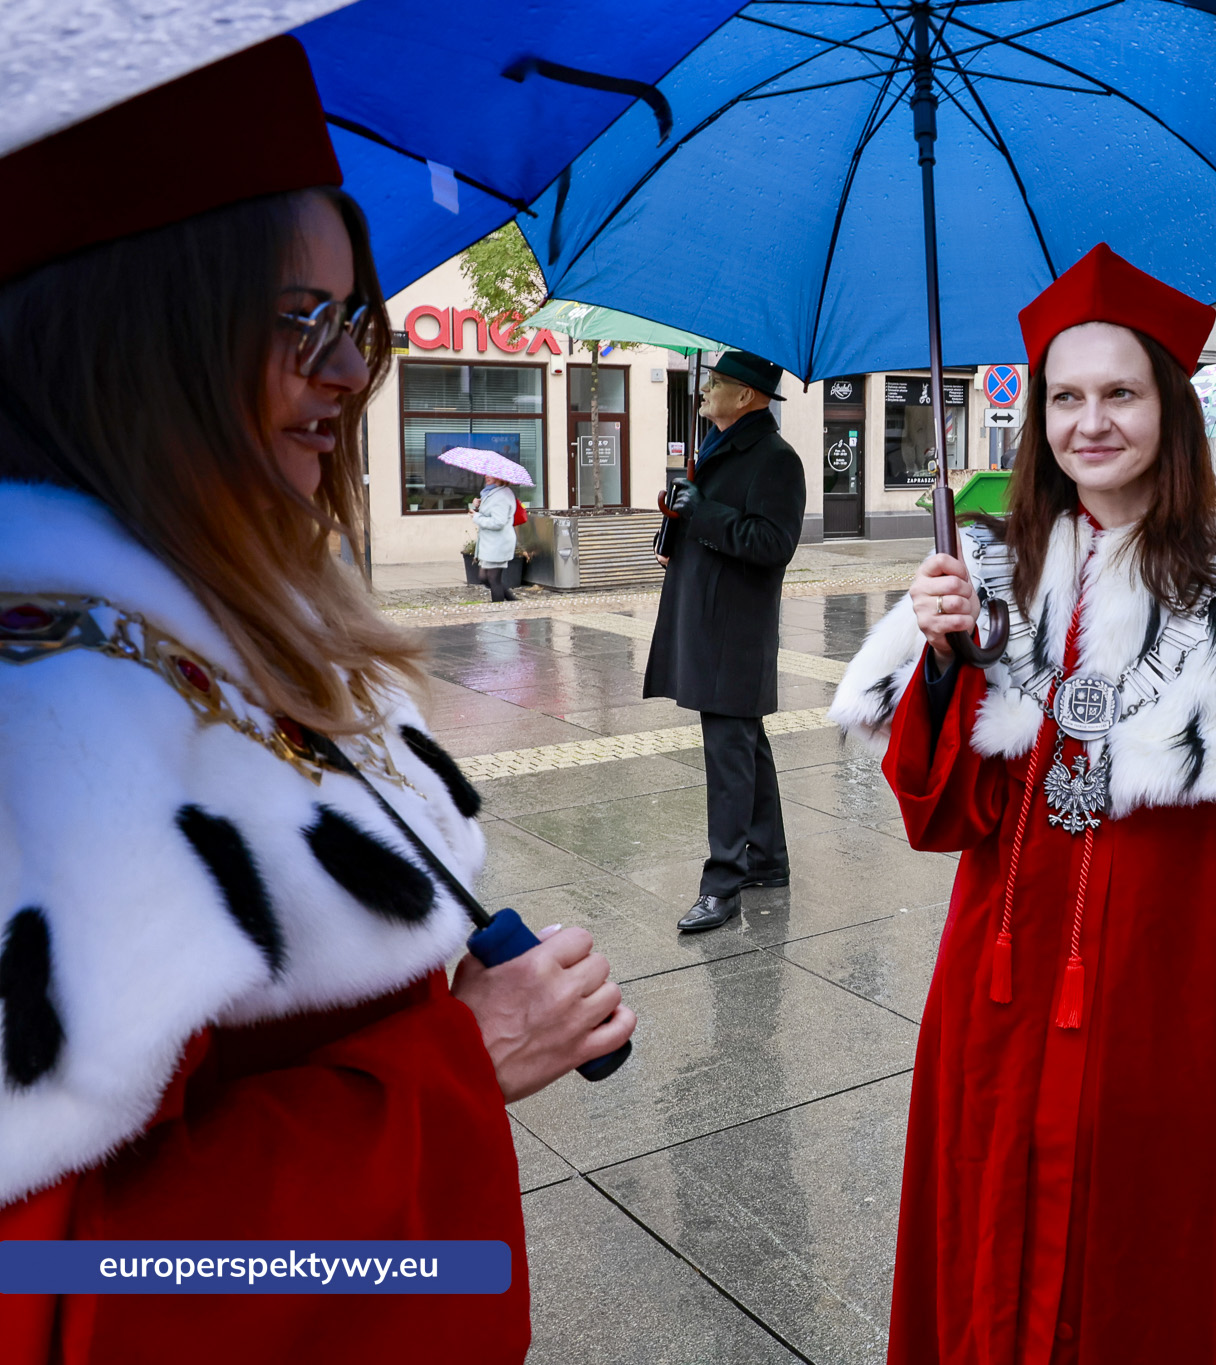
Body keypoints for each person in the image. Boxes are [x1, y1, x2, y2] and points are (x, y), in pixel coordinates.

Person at [0, 39, 636, 1363]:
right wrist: (454, 1064)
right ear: (139, 334)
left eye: (360, 321)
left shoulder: (212, 613)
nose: (352, 374)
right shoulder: (54, 720)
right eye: (302, 321)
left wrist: (421, 990)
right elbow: (73, 1296)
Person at [829, 243, 1216, 1364]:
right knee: (986, 1257)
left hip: (1173, 1007)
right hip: (995, 1000)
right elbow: (942, 816)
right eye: (1065, 397)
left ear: (1168, 410)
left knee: (1152, 1277)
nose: (1090, 422)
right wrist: (945, 661)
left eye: (1119, 395)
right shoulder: (991, 572)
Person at [644, 349, 806, 934]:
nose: (707, 391)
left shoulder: (776, 459)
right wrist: (676, 522)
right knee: (745, 742)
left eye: (718, 384)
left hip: (734, 629)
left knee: (728, 751)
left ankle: (723, 884)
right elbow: (708, 518)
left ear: (747, 397)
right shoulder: (716, 446)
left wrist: (704, 513)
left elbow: (772, 544)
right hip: (708, 617)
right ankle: (768, 859)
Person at [470, 475, 520, 602]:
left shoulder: (502, 495)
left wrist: (477, 517)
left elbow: (498, 522)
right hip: (490, 543)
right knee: (484, 577)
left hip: (498, 543)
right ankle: (513, 602)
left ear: (500, 476)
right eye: (486, 473)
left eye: (491, 473)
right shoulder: (491, 492)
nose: (486, 476)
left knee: (493, 579)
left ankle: (498, 613)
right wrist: (479, 504)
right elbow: (490, 512)